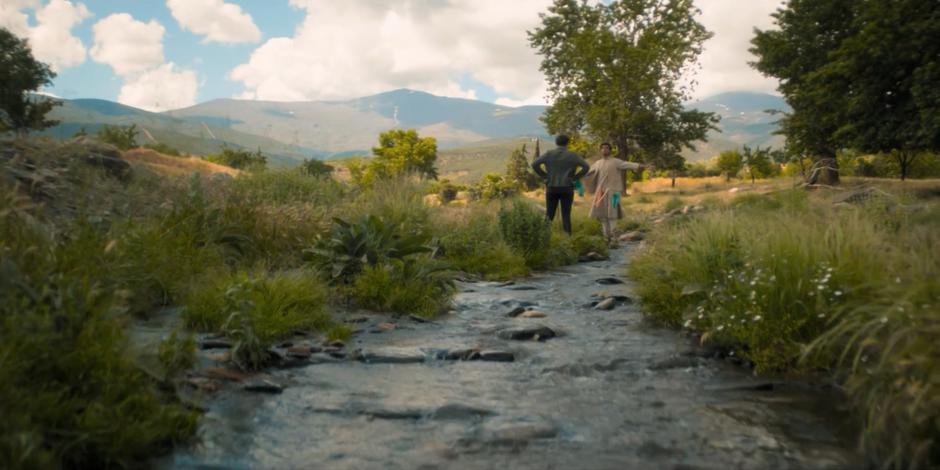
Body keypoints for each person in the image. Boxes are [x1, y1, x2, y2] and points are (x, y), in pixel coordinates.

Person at [582, 142, 652, 245]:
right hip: (600, 193)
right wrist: (575, 176)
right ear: (600, 150)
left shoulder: (616, 162)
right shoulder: (597, 163)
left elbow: (629, 164)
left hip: (614, 193)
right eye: (602, 148)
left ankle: (614, 240)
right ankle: (606, 238)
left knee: (613, 215)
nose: (604, 150)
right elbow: (587, 173)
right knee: (602, 216)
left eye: (606, 148)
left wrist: (643, 166)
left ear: (610, 150)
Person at [531, 134, 590, 234]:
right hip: (567, 188)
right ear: (567, 143)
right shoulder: (573, 155)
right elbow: (586, 167)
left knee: (549, 215)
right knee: (566, 215)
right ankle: (568, 239)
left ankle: (544, 238)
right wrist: (574, 178)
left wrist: (545, 176)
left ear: (556, 142)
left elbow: (534, 164)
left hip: (552, 187)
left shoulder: (549, 154)